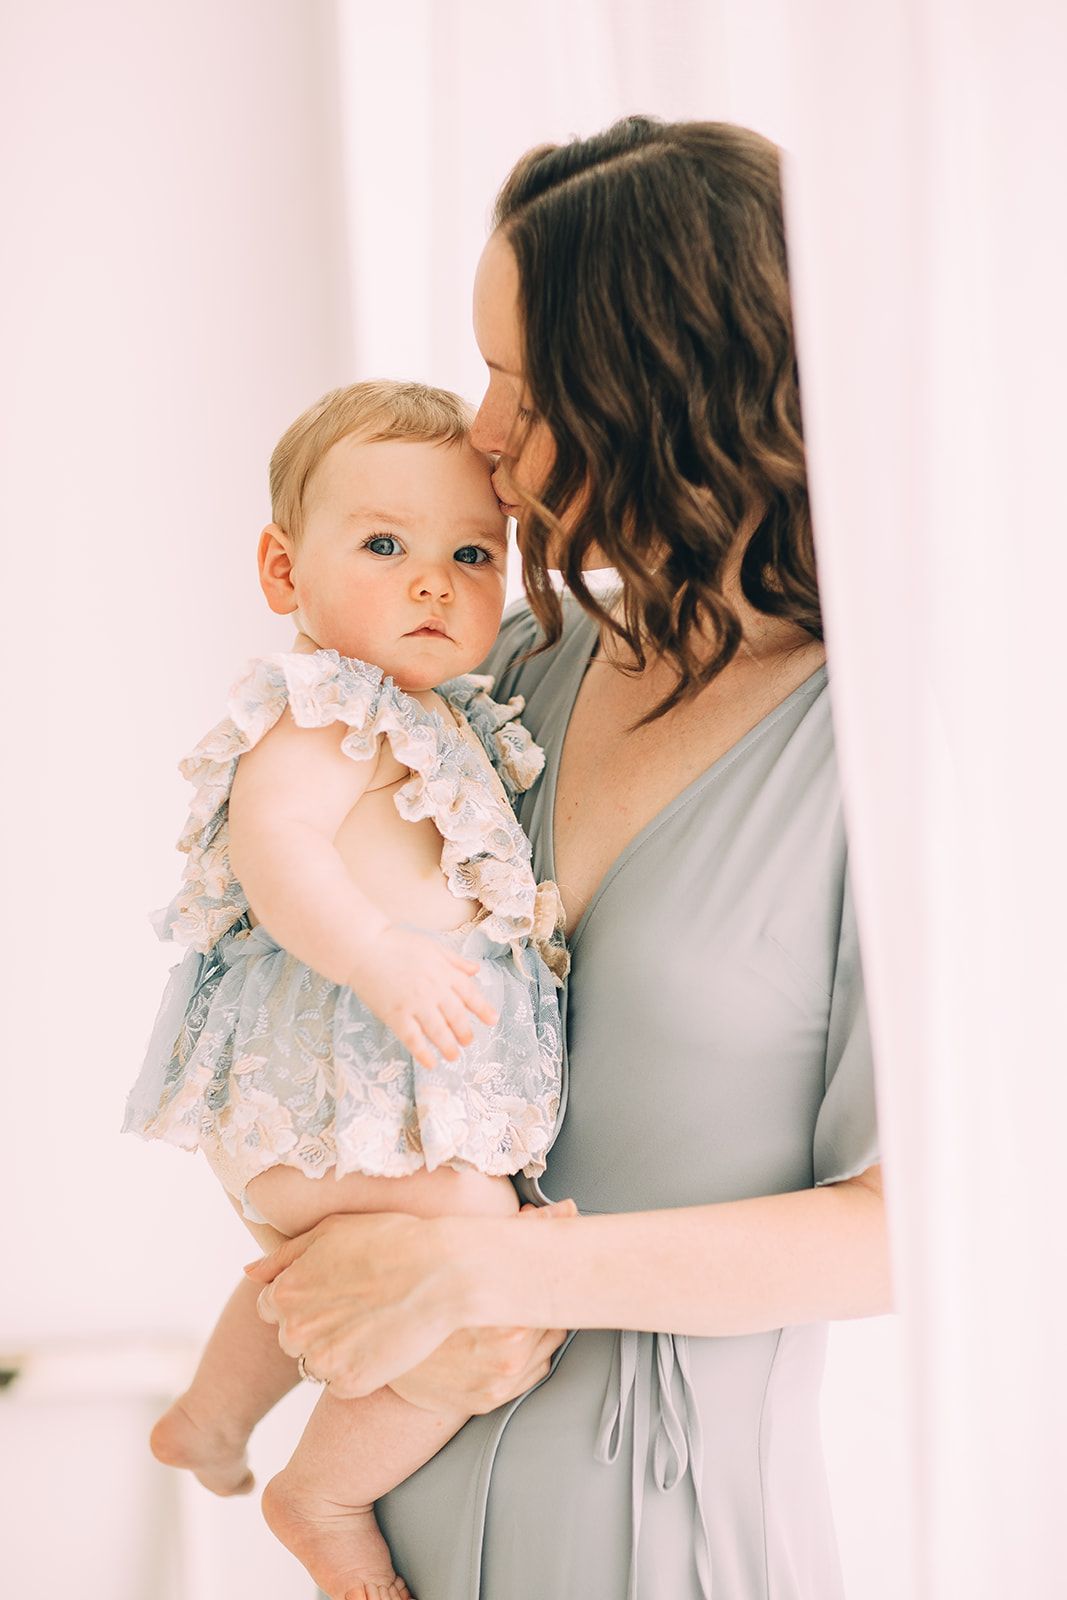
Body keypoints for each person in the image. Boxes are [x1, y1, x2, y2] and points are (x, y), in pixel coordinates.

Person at [244, 119, 890, 1600]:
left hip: (667, 1548)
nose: (480, 433)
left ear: (675, 394)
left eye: (524, 387)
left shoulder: (875, 750)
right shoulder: (492, 676)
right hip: (390, 1545)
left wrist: (486, 1270)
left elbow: (927, 1231)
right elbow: (296, 1006)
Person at [122, 379, 575, 1600]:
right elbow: (276, 846)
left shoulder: (443, 717)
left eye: (470, 554)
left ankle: (211, 1420)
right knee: (478, 1245)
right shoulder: (327, 711)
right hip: (327, 1089)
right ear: (284, 570)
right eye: (384, 545)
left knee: (338, 1265)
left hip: (353, 1103)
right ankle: (320, 1491)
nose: (432, 583)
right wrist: (378, 952)